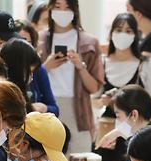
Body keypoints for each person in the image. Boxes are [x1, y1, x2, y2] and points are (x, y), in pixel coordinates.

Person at [92, 13, 151, 161]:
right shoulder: (102, 62)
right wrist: (104, 101)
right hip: (108, 128)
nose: (122, 34)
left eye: (128, 30)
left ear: (135, 35)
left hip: (139, 132)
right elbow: (93, 100)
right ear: (111, 34)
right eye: (118, 30)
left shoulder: (146, 64)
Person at [39, 0, 104, 153]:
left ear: (75, 10)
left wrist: (80, 67)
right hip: (46, 106)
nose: (62, 11)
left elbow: (94, 87)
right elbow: (28, 79)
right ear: (50, 9)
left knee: (79, 160)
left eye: (67, 7)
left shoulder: (89, 42)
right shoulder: (39, 39)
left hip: (78, 109)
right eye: (57, 6)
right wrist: (46, 67)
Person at [15, 19, 59, 116]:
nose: (24, 47)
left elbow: (55, 109)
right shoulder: (3, 70)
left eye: (28, 43)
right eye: (21, 41)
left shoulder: (39, 70)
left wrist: (43, 107)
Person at [0, 38, 41, 113]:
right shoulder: (5, 98)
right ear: (17, 69)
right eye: (29, 72)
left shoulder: (18, 94)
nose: (32, 76)